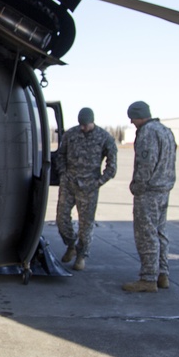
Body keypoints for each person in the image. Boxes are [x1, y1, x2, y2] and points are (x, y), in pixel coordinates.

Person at [123, 101, 177, 293]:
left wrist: (138, 186)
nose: (131, 122)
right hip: (163, 189)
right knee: (160, 232)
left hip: (149, 191)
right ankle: (162, 274)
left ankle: (148, 278)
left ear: (139, 116)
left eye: (132, 117)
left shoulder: (147, 132)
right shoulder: (165, 131)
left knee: (146, 233)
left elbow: (146, 163)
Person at [55, 107, 117, 271]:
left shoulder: (104, 138)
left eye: (86, 125)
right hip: (69, 184)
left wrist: (99, 182)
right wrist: (63, 173)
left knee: (86, 224)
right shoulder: (71, 134)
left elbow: (112, 166)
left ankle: (81, 255)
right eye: (81, 124)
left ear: (92, 121)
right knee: (61, 219)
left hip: (89, 187)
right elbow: (60, 155)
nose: (83, 127)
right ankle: (71, 245)